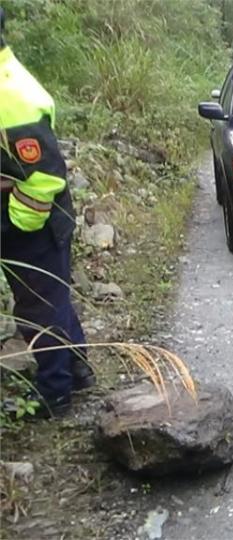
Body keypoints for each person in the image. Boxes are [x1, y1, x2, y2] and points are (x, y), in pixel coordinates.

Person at [0, 7, 95, 417]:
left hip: (31, 218)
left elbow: (45, 176)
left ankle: (55, 393)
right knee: (51, 296)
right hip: (28, 215)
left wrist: (15, 226)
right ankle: (77, 368)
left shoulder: (12, 97)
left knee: (38, 305)